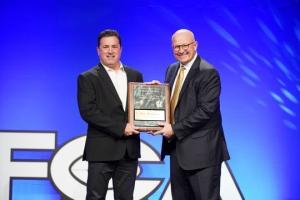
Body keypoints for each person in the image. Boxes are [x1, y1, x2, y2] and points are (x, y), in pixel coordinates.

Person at [155, 29, 230, 200]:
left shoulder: (208, 72)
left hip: (202, 154)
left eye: (185, 45)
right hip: (177, 151)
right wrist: (155, 92)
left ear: (195, 45)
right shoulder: (172, 69)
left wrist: (174, 129)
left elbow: (205, 112)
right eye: (176, 47)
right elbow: (174, 102)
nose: (181, 50)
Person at [77, 29, 143, 200]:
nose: (110, 51)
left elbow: (140, 107)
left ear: (120, 49)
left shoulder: (135, 75)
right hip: (101, 151)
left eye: (114, 46)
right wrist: (122, 128)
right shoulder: (87, 77)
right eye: (105, 47)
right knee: (95, 197)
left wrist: (154, 93)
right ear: (98, 50)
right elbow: (88, 112)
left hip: (129, 151)